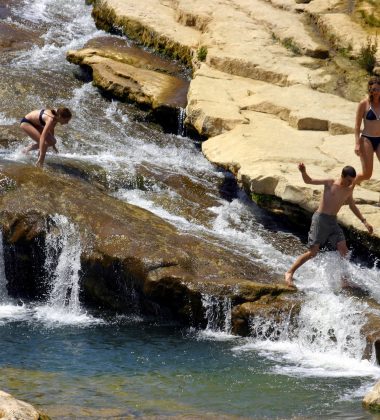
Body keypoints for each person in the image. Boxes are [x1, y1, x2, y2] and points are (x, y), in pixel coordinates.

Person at [284, 163, 373, 288]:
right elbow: (309, 181)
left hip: (332, 221)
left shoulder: (349, 189)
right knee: (312, 253)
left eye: (352, 181)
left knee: (344, 251)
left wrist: (364, 221)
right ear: (342, 175)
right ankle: (289, 272)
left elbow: (352, 205)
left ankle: (344, 281)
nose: (350, 183)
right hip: (320, 219)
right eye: (348, 180)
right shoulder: (330, 183)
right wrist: (303, 171)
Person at [354, 76, 380, 184]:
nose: (376, 92)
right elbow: (357, 126)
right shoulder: (363, 104)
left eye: (378, 89)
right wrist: (357, 143)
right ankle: (350, 184)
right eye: (373, 89)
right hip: (367, 139)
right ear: (369, 89)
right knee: (367, 174)